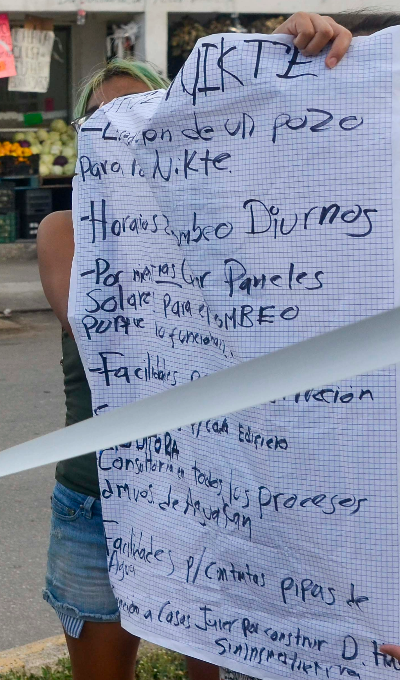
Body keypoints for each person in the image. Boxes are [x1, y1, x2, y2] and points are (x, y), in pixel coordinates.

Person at [36, 13, 352, 680]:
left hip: (210, 496)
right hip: (95, 500)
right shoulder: (64, 229)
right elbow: (88, 320)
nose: (121, 134)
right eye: (102, 123)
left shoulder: (227, 220)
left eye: (139, 115)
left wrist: (305, 53)